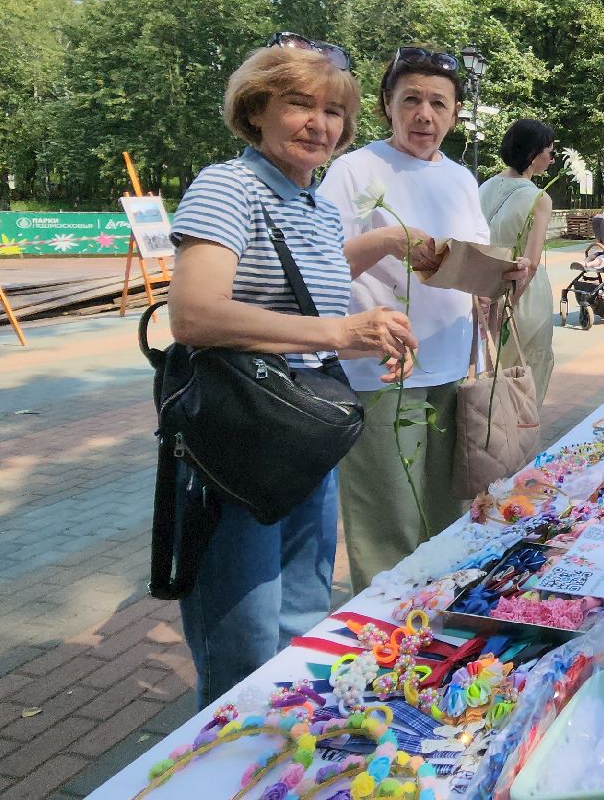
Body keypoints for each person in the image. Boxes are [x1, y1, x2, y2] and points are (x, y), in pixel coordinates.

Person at [167, 35, 417, 705]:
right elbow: (191, 314)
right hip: (238, 442)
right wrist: (339, 331)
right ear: (255, 110)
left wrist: (375, 328)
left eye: (333, 110)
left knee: (303, 619)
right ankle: (231, 761)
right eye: (299, 104)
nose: (320, 124)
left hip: (304, 437)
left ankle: (289, 745)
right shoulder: (229, 186)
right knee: (243, 640)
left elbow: (310, 293)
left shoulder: (316, 202)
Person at [318, 46, 523, 590]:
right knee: (388, 521)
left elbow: (472, 267)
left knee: (442, 512)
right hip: (383, 371)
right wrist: (388, 240)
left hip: (453, 368)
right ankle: (384, 634)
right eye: (411, 99)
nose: (424, 115)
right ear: (387, 105)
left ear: (455, 113)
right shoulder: (354, 170)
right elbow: (321, 265)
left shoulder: (459, 178)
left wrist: (503, 277)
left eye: (438, 102)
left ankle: (433, 616)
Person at [479, 118, 557, 404]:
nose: (551, 158)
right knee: (526, 380)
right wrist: (509, 303)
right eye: (549, 151)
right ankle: (520, 442)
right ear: (533, 154)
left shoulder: (484, 187)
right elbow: (531, 263)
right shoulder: (539, 198)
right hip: (523, 296)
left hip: (484, 288)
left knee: (492, 378)